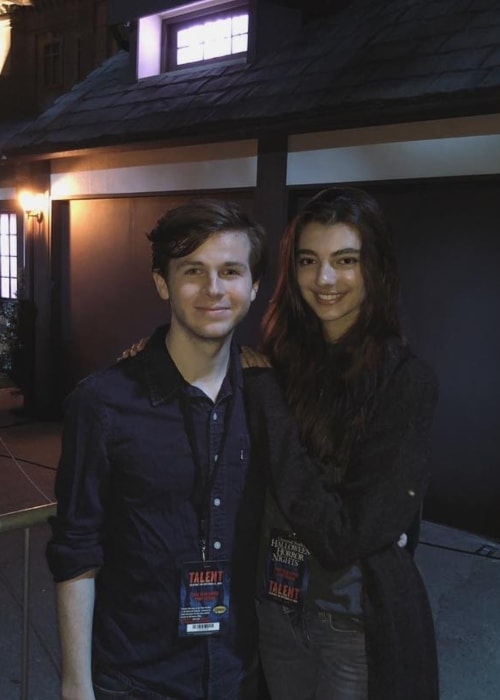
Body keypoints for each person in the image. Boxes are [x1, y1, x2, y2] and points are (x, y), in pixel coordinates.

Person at [46, 199, 268, 700]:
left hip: (240, 672)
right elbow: (76, 550)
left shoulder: (267, 399)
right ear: (163, 283)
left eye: (230, 271)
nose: (213, 289)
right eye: (193, 271)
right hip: (135, 678)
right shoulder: (102, 403)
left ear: (253, 287)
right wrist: (75, 686)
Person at [241, 185, 439, 699]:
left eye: (344, 260)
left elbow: (341, 536)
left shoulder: (405, 381)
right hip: (275, 605)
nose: (324, 279)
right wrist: (149, 353)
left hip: (349, 625)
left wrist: (270, 408)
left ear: (375, 267)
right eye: (308, 260)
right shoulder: (279, 361)